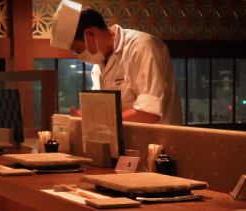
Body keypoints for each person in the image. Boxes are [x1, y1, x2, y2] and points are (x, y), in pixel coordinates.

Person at [50, 0, 182, 124]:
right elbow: (105, 111)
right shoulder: (98, 68)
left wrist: (98, 121)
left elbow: (149, 113)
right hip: (128, 144)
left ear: (90, 34)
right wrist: (85, 116)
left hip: (160, 144)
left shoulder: (141, 47)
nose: (79, 57)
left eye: (78, 50)